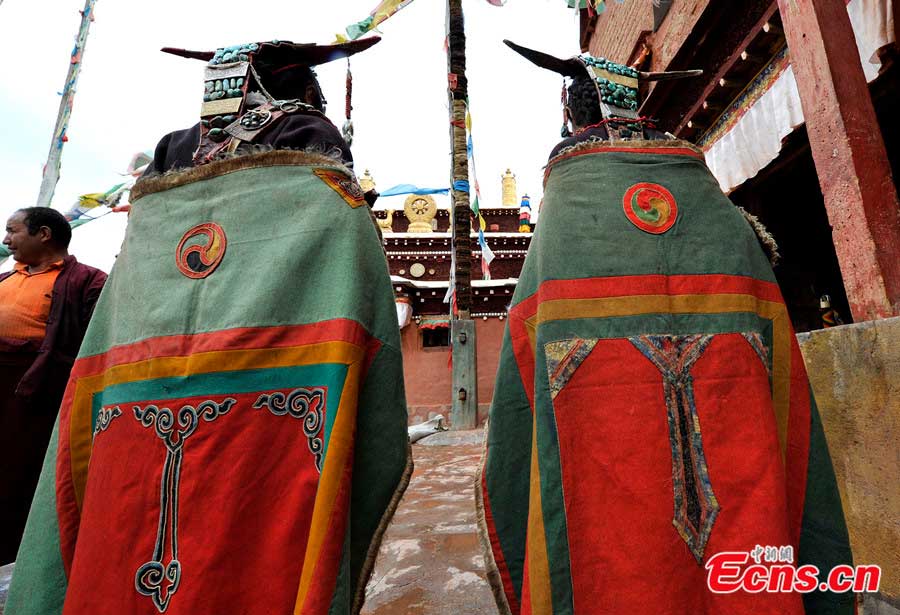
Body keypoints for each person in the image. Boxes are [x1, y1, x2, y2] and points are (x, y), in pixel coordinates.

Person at [7, 38, 409, 615]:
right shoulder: (309, 132)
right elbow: (339, 240)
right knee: (257, 528)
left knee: (127, 520)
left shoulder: (170, 149)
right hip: (280, 365)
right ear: (298, 87)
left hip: (141, 371)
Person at [476, 41, 854, 615]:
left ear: (571, 113)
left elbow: (517, 413)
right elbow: (783, 387)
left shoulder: (562, 228)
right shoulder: (725, 220)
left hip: (608, 547)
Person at [0, 207, 106, 565]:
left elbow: (95, 342)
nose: (5, 240)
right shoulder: (4, 278)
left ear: (43, 234)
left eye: (12, 231)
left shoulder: (88, 281)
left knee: (16, 474)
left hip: (34, 392)